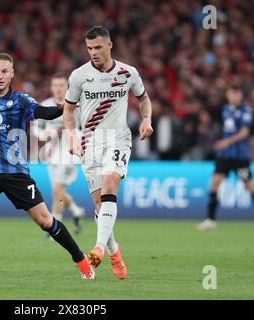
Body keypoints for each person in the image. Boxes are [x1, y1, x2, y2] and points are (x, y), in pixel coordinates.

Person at [0, 53, 95, 279]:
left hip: (16, 174)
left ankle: (80, 259)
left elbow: (43, 112)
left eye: (5, 71)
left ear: (12, 74)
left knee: (46, 221)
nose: (0, 76)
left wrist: (63, 108)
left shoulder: (21, 100)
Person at [63, 26, 154, 280]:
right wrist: (71, 135)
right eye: (89, 48)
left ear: (110, 45)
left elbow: (144, 98)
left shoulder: (128, 73)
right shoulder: (79, 76)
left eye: (98, 47)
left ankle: (99, 249)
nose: (93, 52)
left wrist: (146, 119)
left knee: (110, 184)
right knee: (99, 204)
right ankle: (114, 251)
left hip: (118, 139)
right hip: (90, 142)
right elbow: (68, 111)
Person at [197, 85, 254, 231]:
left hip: (240, 157)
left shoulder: (246, 111)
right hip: (224, 156)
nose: (234, 97)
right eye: (232, 94)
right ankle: (210, 219)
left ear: (241, 96)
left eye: (237, 94)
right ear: (228, 95)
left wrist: (225, 142)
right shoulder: (224, 110)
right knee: (214, 183)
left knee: (248, 185)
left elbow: (244, 132)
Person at [33, 73, 85, 239]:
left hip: (70, 153)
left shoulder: (76, 106)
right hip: (52, 154)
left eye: (62, 85)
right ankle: (76, 211)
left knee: (57, 189)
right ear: (51, 87)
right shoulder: (45, 105)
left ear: (67, 87)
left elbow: (85, 128)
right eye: (55, 85)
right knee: (58, 191)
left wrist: (71, 133)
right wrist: (46, 134)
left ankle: (55, 225)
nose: (58, 88)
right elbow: (36, 129)